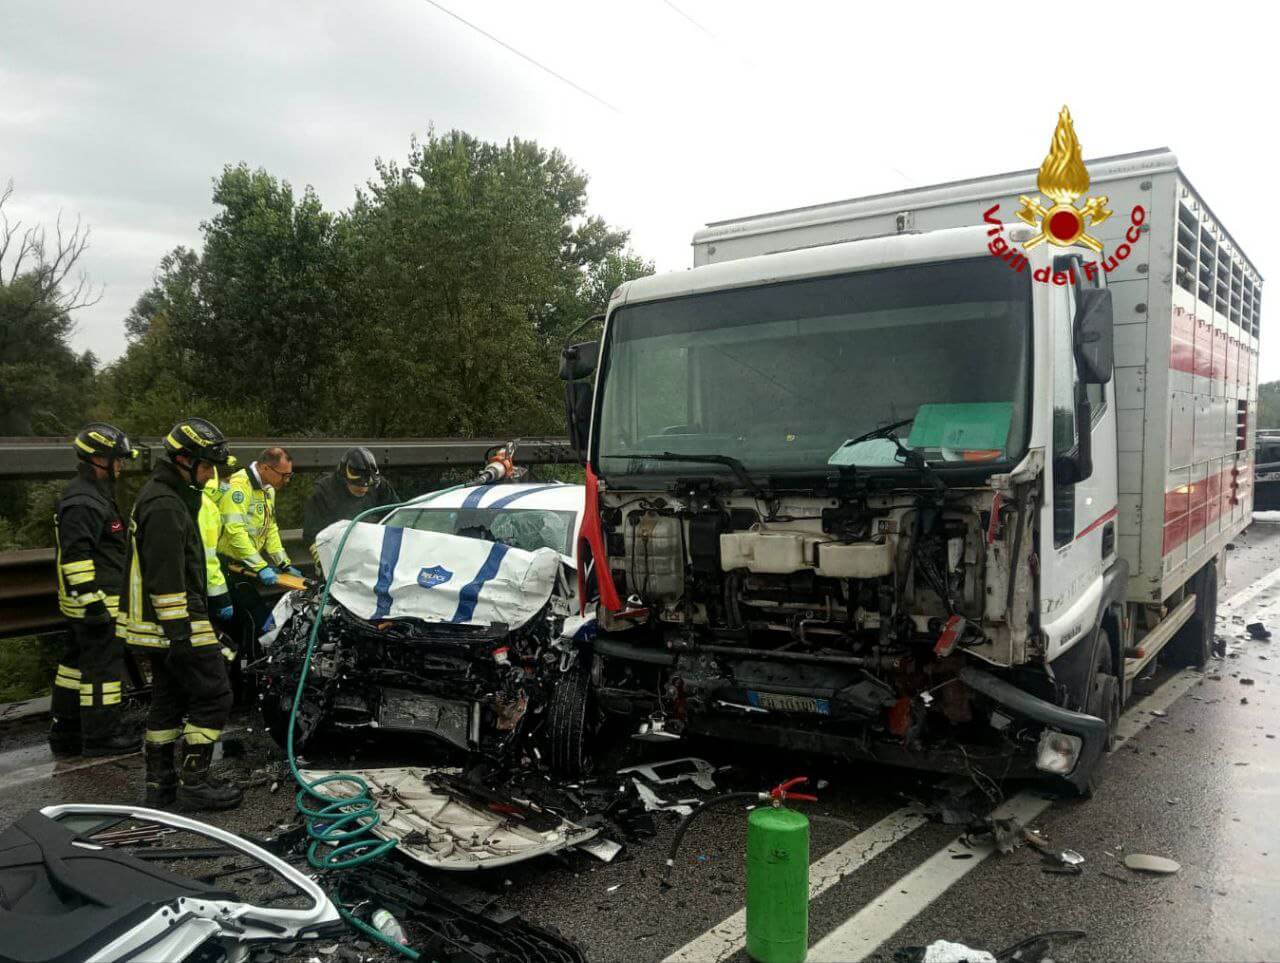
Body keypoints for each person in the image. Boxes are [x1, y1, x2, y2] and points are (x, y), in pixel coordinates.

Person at [122, 417, 242, 811]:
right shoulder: (165, 506)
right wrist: (184, 635)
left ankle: (160, 784)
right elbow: (167, 579)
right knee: (215, 694)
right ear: (184, 460)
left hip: (158, 624)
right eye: (206, 466)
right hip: (173, 622)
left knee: (169, 700)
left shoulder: (163, 495)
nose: (210, 476)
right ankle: (195, 783)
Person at [49, 423, 140, 757]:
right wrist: (93, 603)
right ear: (99, 459)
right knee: (102, 672)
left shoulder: (92, 493)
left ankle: (67, 731)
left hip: (90, 602)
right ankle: (102, 735)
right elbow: (76, 557)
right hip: (97, 603)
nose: (121, 466)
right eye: (118, 459)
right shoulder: (84, 501)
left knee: (74, 668)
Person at [215, 447, 300, 632]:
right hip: (226, 566)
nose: (286, 480)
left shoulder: (268, 489)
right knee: (257, 622)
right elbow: (234, 531)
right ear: (265, 468)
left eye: (289, 475)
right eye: (283, 475)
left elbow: (270, 529)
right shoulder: (239, 486)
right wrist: (260, 566)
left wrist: (284, 563)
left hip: (246, 566)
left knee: (252, 621)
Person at [303, 447, 399, 569]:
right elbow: (312, 536)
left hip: (375, 556)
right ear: (344, 479)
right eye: (358, 485)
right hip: (337, 557)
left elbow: (398, 517)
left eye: (368, 485)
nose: (364, 489)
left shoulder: (381, 487)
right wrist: (325, 564)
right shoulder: (323, 493)